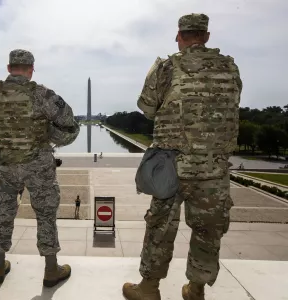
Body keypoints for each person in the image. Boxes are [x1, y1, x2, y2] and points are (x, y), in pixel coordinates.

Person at [122, 14, 242, 300]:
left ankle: (149, 288)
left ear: (180, 35)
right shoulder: (230, 67)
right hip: (213, 168)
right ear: (207, 36)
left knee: (160, 228)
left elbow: (147, 107)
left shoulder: (167, 67)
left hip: (172, 165)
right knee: (207, 231)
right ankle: (196, 289)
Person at [0, 49, 80, 287]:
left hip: (7, 163)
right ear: (31, 69)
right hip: (37, 164)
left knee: (4, 211)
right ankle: (50, 270)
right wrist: (51, 133)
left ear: (9, 68)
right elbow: (68, 120)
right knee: (45, 213)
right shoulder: (41, 94)